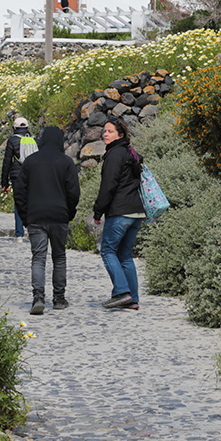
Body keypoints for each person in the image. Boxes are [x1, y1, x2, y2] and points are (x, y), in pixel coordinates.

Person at [13, 126, 80, 315]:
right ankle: (59, 298)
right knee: (59, 257)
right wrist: (69, 212)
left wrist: (25, 216)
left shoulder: (30, 162)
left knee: (38, 258)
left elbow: (19, 192)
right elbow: (74, 192)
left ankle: (38, 297)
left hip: (36, 216)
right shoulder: (66, 162)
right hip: (59, 216)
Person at [92, 118, 145, 310]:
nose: (105, 134)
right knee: (125, 255)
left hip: (120, 212)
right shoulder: (131, 153)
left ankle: (122, 292)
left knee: (108, 251)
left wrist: (98, 211)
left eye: (110, 131)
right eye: (104, 131)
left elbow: (108, 187)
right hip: (137, 212)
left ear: (120, 135)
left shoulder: (114, 155)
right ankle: (133, 299)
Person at [1, 117, 33, 241]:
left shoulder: (12, 140)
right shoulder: (34, 140)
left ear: (14, 128)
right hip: (32, 174)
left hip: (17, 175)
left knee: (18, 203)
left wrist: (4, 182)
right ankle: (32, 231)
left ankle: (19, 234)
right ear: (28, 128)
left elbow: (7, 162)